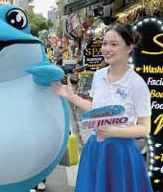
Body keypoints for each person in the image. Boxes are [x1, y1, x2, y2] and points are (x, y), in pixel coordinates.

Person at [51, 24, 153, 192]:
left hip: (121, 154)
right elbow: (95, 109)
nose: (106, 49)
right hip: (95, 148)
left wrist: (113, 131)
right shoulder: (98, 76)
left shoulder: (137, 84)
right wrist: (71, 96)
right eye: (105, 44)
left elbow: (144, 127)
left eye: (114, 44)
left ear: (129, 47)